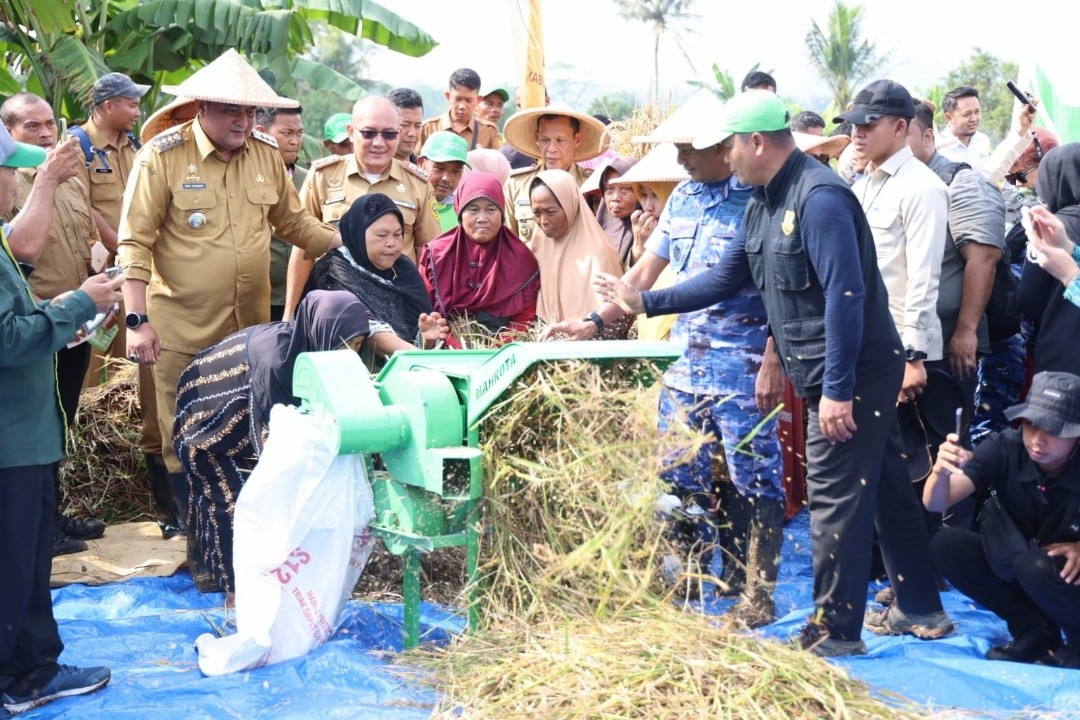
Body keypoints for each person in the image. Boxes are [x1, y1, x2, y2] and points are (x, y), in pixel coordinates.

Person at [598, 90, 953, 655]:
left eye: (730, 146)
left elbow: (845, 295)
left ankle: (834, 632)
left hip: (851, 373)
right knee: (885, 485)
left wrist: (836, 391)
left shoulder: (819, 198)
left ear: (755, 142)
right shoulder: (764, 200)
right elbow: (723, 278)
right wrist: (645, 304)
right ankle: (923, 609)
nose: (727, 157)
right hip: (830, 370)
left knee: (833, 497)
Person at [116, 49, 344, 519]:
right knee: (182, 428)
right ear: (201, 108)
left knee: (243, 423)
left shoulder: (264, 156)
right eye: (230, 110)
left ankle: (237, 525)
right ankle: (191, 531)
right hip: (181, 326)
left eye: (249, 111)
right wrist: (137, 321)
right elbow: (134, 244)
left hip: (247, 330)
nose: (242, 121)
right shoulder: (161, 159)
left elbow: (295, 224)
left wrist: (349, 242)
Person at [589, 112, 786, 624]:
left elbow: (775, 293)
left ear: (724, 148)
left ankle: (755, 592)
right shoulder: (683, 198)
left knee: (753, 479)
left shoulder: (758, 202)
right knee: (678, 475)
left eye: (687, 149)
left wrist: (772, 359)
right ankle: (691, 580)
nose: (678, 159)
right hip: (684, 367)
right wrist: (593, 322)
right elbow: (642, 274)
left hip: (743, 367)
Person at [0, 123, 117, 716]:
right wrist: (77, 304)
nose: (13, 185)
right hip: (11, 442)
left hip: (25, 435)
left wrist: (61, 315)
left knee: (27, 558)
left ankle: (34, 666)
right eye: (8, 171)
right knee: (14, 562)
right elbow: (5, 339)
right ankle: (18, 678)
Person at [174, 291, 370, 594]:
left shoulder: (307, 351)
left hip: (238, 418)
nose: (351, 354)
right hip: (202, 419)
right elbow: (275, 453)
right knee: (233, 502)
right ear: (320, 331)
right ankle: (237, 597)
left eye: (357, 345)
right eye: (345, 344)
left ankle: (210, 567)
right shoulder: (277, 362)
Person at [2, 91, 109, 555]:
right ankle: (41, 524)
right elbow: (23, 251)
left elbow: (84, 225)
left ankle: (50, 514)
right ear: (8, 133)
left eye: (50, 124)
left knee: (59, 418)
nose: (47, 134)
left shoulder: (68, 170)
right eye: (33, 126)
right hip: (43, 323)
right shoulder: (28, 178)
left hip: (70, 318)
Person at [82, 72, 185, 538]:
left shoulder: (135, 150)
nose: (138, 112)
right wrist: (128, 253)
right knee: (93, 381)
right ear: (106, 106)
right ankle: (89, 485)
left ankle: (169, 508)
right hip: (104, 281)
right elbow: (86, 209)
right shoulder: (80, 148)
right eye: (130, 104)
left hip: (141, 282)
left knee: (149, 388)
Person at [925, 371, 1080, 668]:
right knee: (945, 543)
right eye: (1031, 423)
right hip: (1022, 562)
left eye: (1054, 429)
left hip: (1066, 575)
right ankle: (1034, 629)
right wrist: (940, 471)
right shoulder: (1004, 447)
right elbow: (936, 502)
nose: (1037, 439)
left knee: (1033, 564)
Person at [837, 80, 948, 406]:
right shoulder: (861, 187)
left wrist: (911, 356)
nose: (857, 133)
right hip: (866, 347)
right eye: (855, 124)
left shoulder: (922, 187)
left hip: (903, 355)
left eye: (868, 124)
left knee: (913, 454)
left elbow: (924, 278)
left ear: (900, 126)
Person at [285, 96, 440, 315]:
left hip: (396, 309)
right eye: (368, 133)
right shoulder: (322, 177)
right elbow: (303, 248)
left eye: (389, 134)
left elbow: (427, 255)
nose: (378, 142)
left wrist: (424, 313)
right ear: (351, 131)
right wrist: (290, 314)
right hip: (334, 308)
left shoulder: (418, 184)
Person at [303, 193, 449, 367]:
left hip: (407, 370)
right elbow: (365, 329)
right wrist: (417, 357)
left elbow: (420, 330)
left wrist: (426, 340)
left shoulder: (404, 268)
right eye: (381, 235)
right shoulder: (333, 269)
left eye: (398, 234)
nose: (391, 243)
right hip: (349, 375)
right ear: (358, 233)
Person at [419, 172, 539, 344]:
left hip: (504, 350)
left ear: (502, 213)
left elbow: (524, 319)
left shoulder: (521, 259)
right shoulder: (436, 255)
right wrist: (457, 348)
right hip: (447, 348)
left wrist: (496, 349)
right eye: (473, 210)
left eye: (491, 210)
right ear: (460, 212)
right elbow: (427, 313)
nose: (482, 219)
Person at [526, 169, 626, 332]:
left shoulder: (600, 254)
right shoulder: (538, 245)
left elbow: (616, 319)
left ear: (570, 205)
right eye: (536, 212)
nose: (543, 221)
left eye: (551, 212)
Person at [501, 103, 607, 240]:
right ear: (536, 138)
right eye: (545, 140)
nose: (551, 148)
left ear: (577, 139)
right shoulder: (516, 185)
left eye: (560, 140)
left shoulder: (593, 185)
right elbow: (509, 242)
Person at [1018, 143, 1080, 377]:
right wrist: (1068, 248)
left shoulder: (1049, 227)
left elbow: (1028, 300)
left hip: (1061, 358)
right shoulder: (1052, 228)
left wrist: (1070, 275)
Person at [255, 104, 308, 323]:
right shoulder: (245, 176)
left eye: (299, 133)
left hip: (301, 296)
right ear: (261, 132)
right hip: (258, 298)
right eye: (287, 133)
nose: (295, 141)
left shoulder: (309, 178)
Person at [936, 86, 1038, 185]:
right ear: (949, 117)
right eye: (967, 114)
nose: (974, 118)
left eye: (977, 112)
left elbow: (989, 172)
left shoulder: (982, 140)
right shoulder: (938, 149)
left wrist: (1022, 130)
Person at [420, 68, 500, 151]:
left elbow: (496, 162)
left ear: (478, 100)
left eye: (469, 100)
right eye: (457, 99)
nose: (462, 106)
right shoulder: (428, 128)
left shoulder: (489, 131)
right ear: (448, 96)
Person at [592, 156, 642, 266]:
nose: (615, 197)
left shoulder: (652, 228)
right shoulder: (595, 231)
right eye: (609, 189)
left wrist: (639, 247)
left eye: (625, 189)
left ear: (640, 190)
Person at [419, 131, 470, 231]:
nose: (446, 178)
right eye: (439, 168)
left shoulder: (465, 212)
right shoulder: (406, 203)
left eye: (455, 171)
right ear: (421, 163)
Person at [386, 87, 424, 163]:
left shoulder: (424, 170)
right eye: (404, 125)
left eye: (417, 126)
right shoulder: (371, 170)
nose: (412, 133)